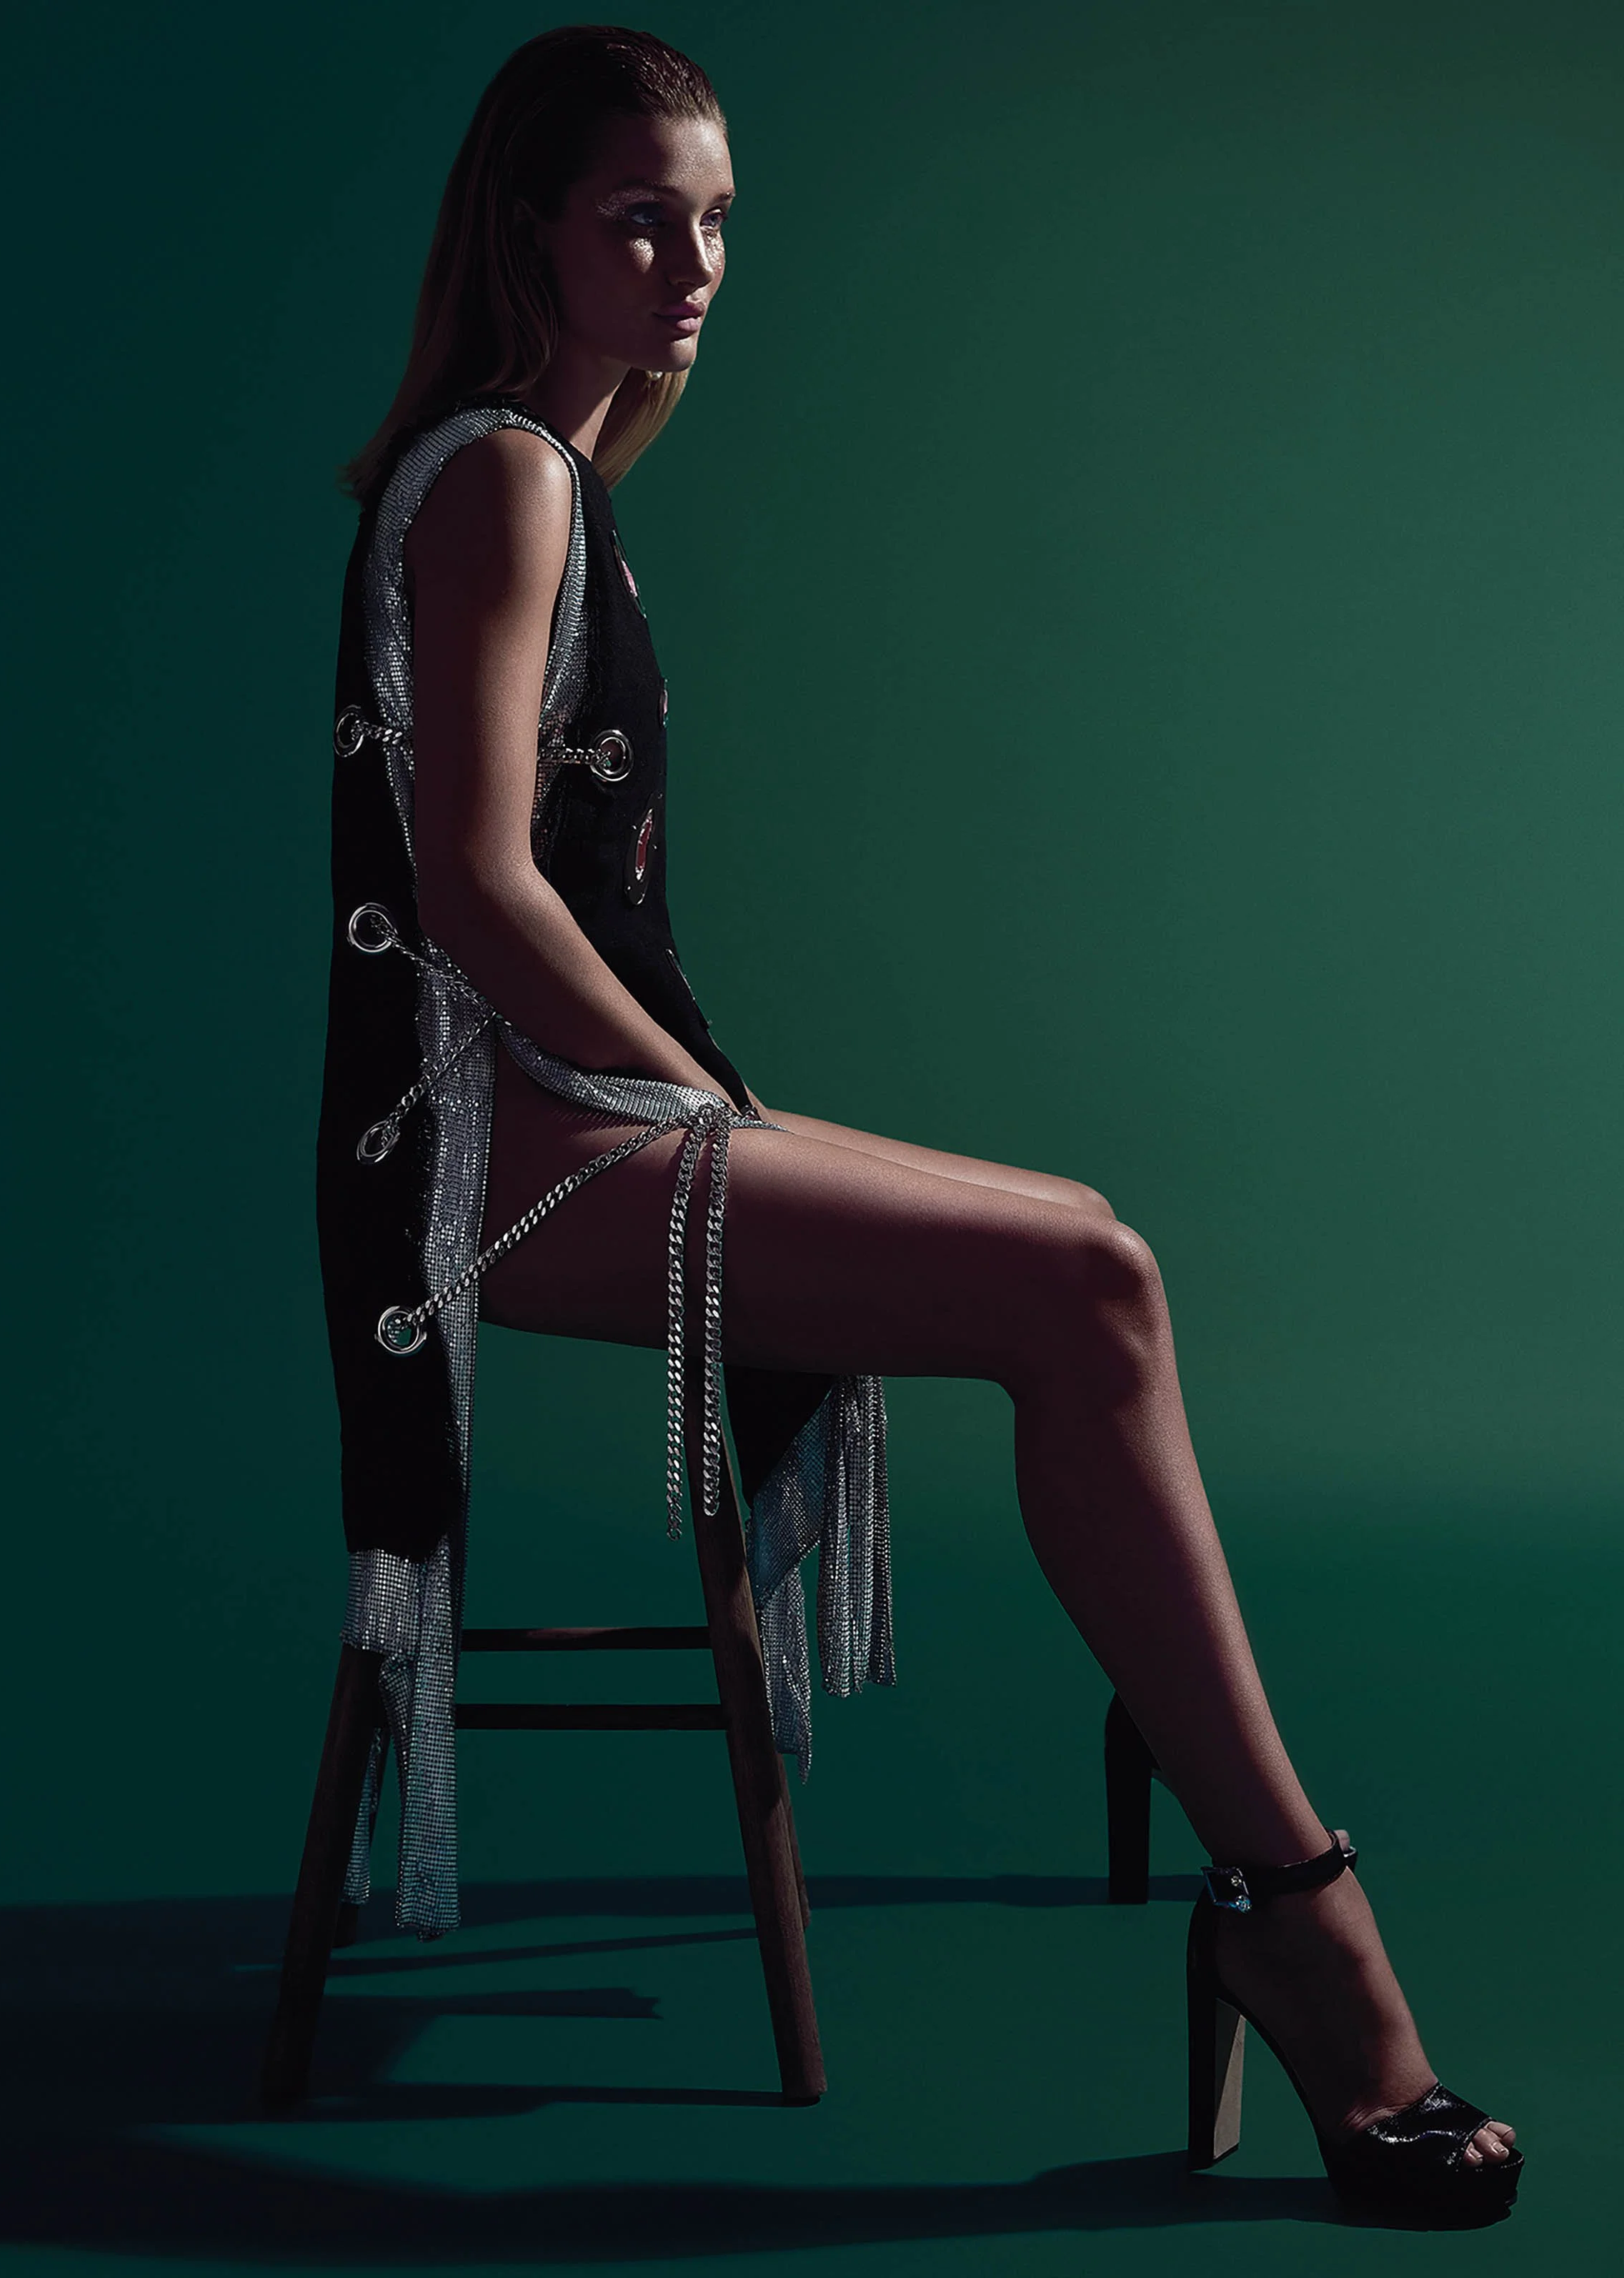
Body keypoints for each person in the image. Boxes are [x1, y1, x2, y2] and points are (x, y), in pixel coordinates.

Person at [317, 22, 1520, 2223]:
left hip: (567, 1136)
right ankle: (1297, 1910)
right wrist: (698, 1109)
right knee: (1088, 1279)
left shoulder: (546, 474)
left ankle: (1187, 1721)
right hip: (503, 1185)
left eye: (715, 220)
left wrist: (697, 1111)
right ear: (529, 234)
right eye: (637, 219)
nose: (690, 261)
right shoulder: (494, 470)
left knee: (1085, 1240)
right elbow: (474, 878)